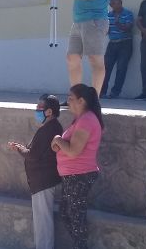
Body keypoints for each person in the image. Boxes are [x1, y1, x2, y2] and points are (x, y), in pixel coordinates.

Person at [50, 0, 115, 98]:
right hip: (78, 22)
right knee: (72, 58)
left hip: (95, 21)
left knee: (94, 59)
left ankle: (94, 100)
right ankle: (76, 98)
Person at [51, 84, 104, 249]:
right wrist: (59, 143)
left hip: (80, 175)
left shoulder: (87, 120)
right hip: (73, 175)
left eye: (71, 98)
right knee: (67, 213)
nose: (68, 101)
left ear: (81, 101)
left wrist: (58, 139)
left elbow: (73, 151)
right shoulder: (81, 119)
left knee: (75, 216)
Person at [8, 94, 63, 249]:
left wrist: (19, 149)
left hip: (43, 181)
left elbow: (33, 155)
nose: (37, 110)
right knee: (42, 219)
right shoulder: (52, 127)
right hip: (44, 180)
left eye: (40, 107)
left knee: (42, 220)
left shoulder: (49, 129)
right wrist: (23, 148)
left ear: (49, 111)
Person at [102, 0, 134, 98]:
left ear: (121, 2)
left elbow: (128, 28)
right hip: (112, 43)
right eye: (114, 3)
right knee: (106, 68)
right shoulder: (108, 15)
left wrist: (117, 23)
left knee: (121, 68)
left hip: (125, 43)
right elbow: (105, 31)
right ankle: (102, 92)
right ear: (111, 5)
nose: (117, 5)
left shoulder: (128, 13)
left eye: (118, 3)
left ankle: (115, 93)